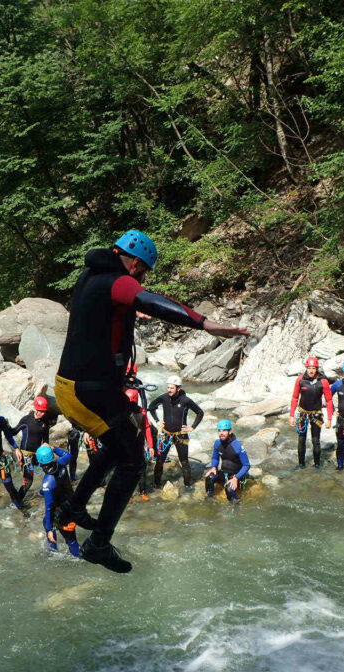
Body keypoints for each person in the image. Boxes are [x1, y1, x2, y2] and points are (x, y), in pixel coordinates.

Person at [55, 229, 249, 573]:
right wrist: (205, 324)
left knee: (117, 448)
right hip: (88, 390)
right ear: (134, 262)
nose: (141, 278)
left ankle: (72, 510)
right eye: (142, 271)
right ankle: (98, 543)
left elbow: (103, 319)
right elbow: (153, 301)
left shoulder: (90, 275)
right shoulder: (118, 280)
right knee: (132, 461)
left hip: (73, 385)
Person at [148, 376, 205, 488]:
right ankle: (156, 485)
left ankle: (187, 486)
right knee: (159, 461)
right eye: (168, 387)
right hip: (166, 434)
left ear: (178, 388)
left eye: (172, 388)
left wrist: (192, 427)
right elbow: (151, 406)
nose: (169, 390)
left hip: (181, 435)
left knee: (184, 461)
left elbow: (200, 412)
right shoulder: (164, 398)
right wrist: (157, 421)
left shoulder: (185, 400)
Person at [289, 357, 334, 469]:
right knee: (301, 439)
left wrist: (329, 419)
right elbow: (295, 398)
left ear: (316, 369)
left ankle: (317, 465)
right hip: (302, 413)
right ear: (306, 368)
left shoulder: (323, 381)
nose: (311, 371)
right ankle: (301, 464)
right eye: (309, 368)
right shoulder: (300, 380)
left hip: (316, 413)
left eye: (313, 368)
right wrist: (291, 415)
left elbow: (329, 401)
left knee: (315, 440)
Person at [37, 444, 81, 558]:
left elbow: (48, 507)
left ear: (41, 463)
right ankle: (53, 550)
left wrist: (50, 529)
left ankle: (54, 552)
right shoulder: (61, 463)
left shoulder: (47, 482)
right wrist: (54, 448)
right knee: (46, 522)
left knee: (70, 541)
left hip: (63, 513)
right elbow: (68, 455)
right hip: (73, 505)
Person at [14, 396, 56, 499]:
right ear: (35, 409)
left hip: (38, 454)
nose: (43, 414)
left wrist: (47, 447)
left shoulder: (45, 422)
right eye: (40, 411)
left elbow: (46, 440)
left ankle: (44, 492)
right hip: (25, 456)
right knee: (28, 481)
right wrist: (16, 448)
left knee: (52, 469)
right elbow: (13, 432)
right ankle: (18, 502)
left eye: (44, 411)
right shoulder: (26, 420)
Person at [204, 420, 251, 502]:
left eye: (224, 430)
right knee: (209, 477)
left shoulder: (237, 445)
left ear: (230, 431)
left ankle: (235, 506)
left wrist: (236, 478)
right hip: (224, 472)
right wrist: (214, 467)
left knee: (229, 489)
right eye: (219, 431)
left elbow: (246, 465)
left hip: (236, 475)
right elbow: (215, 458)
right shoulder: (217, 443)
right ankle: (209, 499)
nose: (221, 433)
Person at [125, 388, 155, 501]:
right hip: (126, 445)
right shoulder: (121, 412)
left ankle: (142, 491)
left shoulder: (142, 412)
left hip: (138, 444)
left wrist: (151, 446)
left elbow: (147, 428)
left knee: (141, 468)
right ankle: (128, 494)